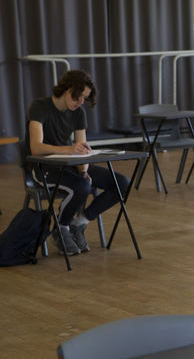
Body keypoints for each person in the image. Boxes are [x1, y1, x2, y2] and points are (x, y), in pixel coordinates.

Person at [25, 69, 130, 256]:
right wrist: (68, 149)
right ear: (67, 89)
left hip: (69, 164)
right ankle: (61, 228)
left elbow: (81, 148)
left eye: (85, 98)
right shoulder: (39, 107)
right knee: (81, 187)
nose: (81, 101)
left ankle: (79, 223)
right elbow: (36, 148)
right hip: (42, 168)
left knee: (122, 183)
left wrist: (84, 170)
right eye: (78, 96)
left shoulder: (79, 113)